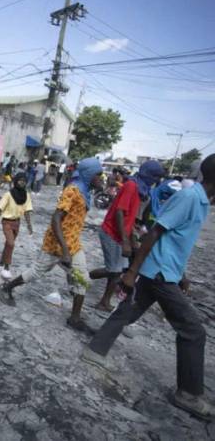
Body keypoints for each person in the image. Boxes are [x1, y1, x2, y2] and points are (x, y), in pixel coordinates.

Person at [81, 154, 215, 421]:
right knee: (193, 331)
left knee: (130, 310)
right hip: (159, 273)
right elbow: (155, 232)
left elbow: (176, 240)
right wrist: (131, 272)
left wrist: (183, 273)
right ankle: (187, 393)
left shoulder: (200, 201)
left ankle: (94, 349)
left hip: (166, 270)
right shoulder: (189, 198)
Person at [0, 158, 103, 333]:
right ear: (88, 174)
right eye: (98, 175)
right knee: (37, 271)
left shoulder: (85, 192)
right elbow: (56, 219)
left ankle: (74, 318)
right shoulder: (73, 191)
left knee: (82, 278)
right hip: (57, 243)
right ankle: (7, 287)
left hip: (73, 244)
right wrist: (64, 250)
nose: (101, 178)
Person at [89, 160, 165, 311]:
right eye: (156, 176)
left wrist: (132, 240)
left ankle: (104, 300)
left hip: (120, 234)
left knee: (118, 270)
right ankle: (83, 277)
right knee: (114, 270)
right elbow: (119, 212)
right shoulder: (132, 186)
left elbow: (129, 218)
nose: (157, 181)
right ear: (148, 174)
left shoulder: (140, 190)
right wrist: (125, 241)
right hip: (111, 232)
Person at [0, 172, 33, 280]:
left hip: (17, 223)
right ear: (16, 181)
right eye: (20, 180)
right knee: (11, 243)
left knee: (8, 245)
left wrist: (29, 225)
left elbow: (27, 211)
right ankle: (6, 267)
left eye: (24, 181)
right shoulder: (8, 194)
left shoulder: (26, 195)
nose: (22, 183)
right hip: (7, 222)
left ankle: (0, 263)